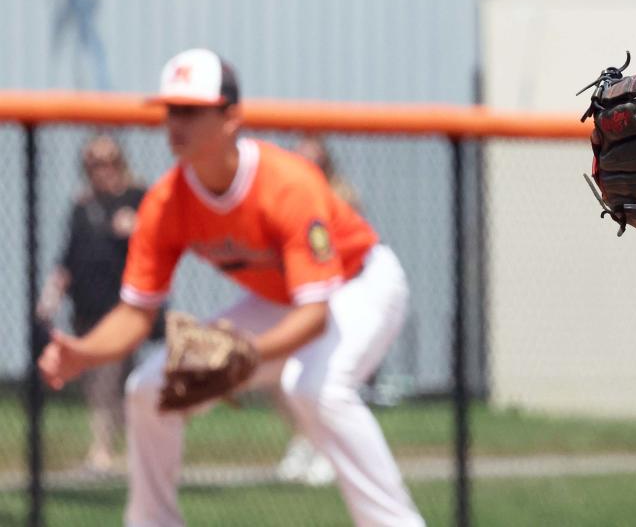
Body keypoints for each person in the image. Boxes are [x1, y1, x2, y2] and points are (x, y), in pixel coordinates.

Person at [37, 48, 424, 527]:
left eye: (192, 110)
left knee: (315, 387)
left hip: (361, 282)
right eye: (171, 110)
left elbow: (315, 315)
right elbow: (136, 313)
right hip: (282, 299)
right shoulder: (165, 203)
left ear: (231, 118)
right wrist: (85, 352)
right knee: (148, 389)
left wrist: (242, 351)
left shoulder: (286, 183)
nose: (176, 123)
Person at [37, 134, 148, 472]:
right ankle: (129, 452)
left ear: (121, 163)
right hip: (86, 308)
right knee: (101, 383)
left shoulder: (135, 197)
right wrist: (50, 296)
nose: (102, 170)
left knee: (111, 381)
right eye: (94, 163)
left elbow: (161, 240)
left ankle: (103, 451)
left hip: (124, 310)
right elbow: (66, 259)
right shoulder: (82, 206)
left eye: (109, 161)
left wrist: (137, 227)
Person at [275, 133, 362, 487]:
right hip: (297, 295)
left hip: (338, 296)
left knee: (323, 379)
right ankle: (304, 440)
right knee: (285, 377)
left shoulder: (340, 196)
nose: (307, 168)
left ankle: (329, 451)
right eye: (300, 161)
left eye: (315, 162)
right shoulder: (285, 196)